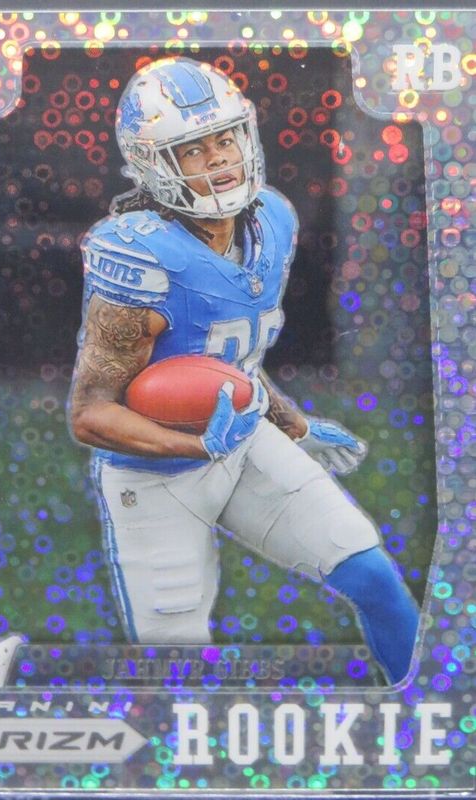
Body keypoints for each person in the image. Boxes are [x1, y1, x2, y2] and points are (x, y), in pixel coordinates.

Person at [69, 57, 419, 684]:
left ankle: (432, 714)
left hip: (243, 439)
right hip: (154, 478)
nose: (220, 159)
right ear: (152, 163)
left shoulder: (272, 220)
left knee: (371, 573)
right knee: (177, 663)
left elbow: (233, 367)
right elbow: (91, 414)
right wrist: (197, 445)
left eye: (225, 138)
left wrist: (295, 426)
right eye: (193, 149)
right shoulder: (139, 253)